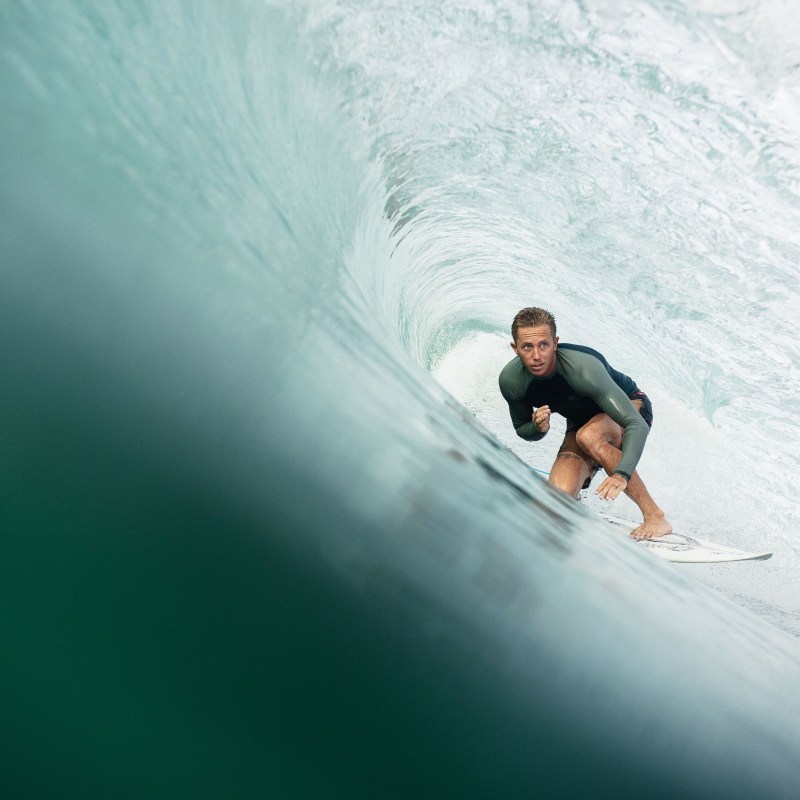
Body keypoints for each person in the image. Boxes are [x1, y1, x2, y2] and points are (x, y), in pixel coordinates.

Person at [499, 307, 672, 539]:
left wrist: (621, 474)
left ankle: (655, 517)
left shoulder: (583, 369)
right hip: (581, 423)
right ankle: (577, 493)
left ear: (555, 343)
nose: (537, 356)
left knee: (590, 436)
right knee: (558, 498)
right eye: (527, 347)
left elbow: (635, 424)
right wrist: (538, 428)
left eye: (544, 345)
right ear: (515, 347)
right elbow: (523, 429)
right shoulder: (512, 381)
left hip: (632, 408)